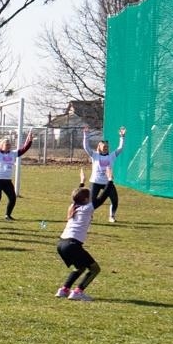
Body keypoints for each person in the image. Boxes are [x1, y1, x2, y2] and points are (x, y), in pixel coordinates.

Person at [55, 173, 100, 301]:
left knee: (80, 267)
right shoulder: (88, 208)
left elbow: (77, 196)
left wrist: (82, 183)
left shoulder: (73, 206)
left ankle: (64, 290)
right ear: (86, 200)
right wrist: (109, 180)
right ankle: (78, 292)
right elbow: (103, 195)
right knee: (95, 269)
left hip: (61, 244)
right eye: (89, 196)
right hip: (72, 245)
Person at [0, 130, 34, 221]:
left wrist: (30, 141)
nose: (8, 146)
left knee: (12, 198)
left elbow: (24, 149)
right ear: (1, 146)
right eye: (6, 144)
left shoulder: (13, 153)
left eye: (9, 144)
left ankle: (8, 215)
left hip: (7, 181)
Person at [82, 126, 127, 223]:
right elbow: (86, 147)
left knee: (115, 200)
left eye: (107, 146)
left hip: (108, 183)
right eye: (104, 146)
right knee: (92, 201)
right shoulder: (95, 155)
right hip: (95, 182)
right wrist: (86, 135)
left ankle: (112, 216)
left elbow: (120, 148)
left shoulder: (112, 156)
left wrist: (122, 136)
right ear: (100, 147)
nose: (106, 148)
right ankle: (89, 216)